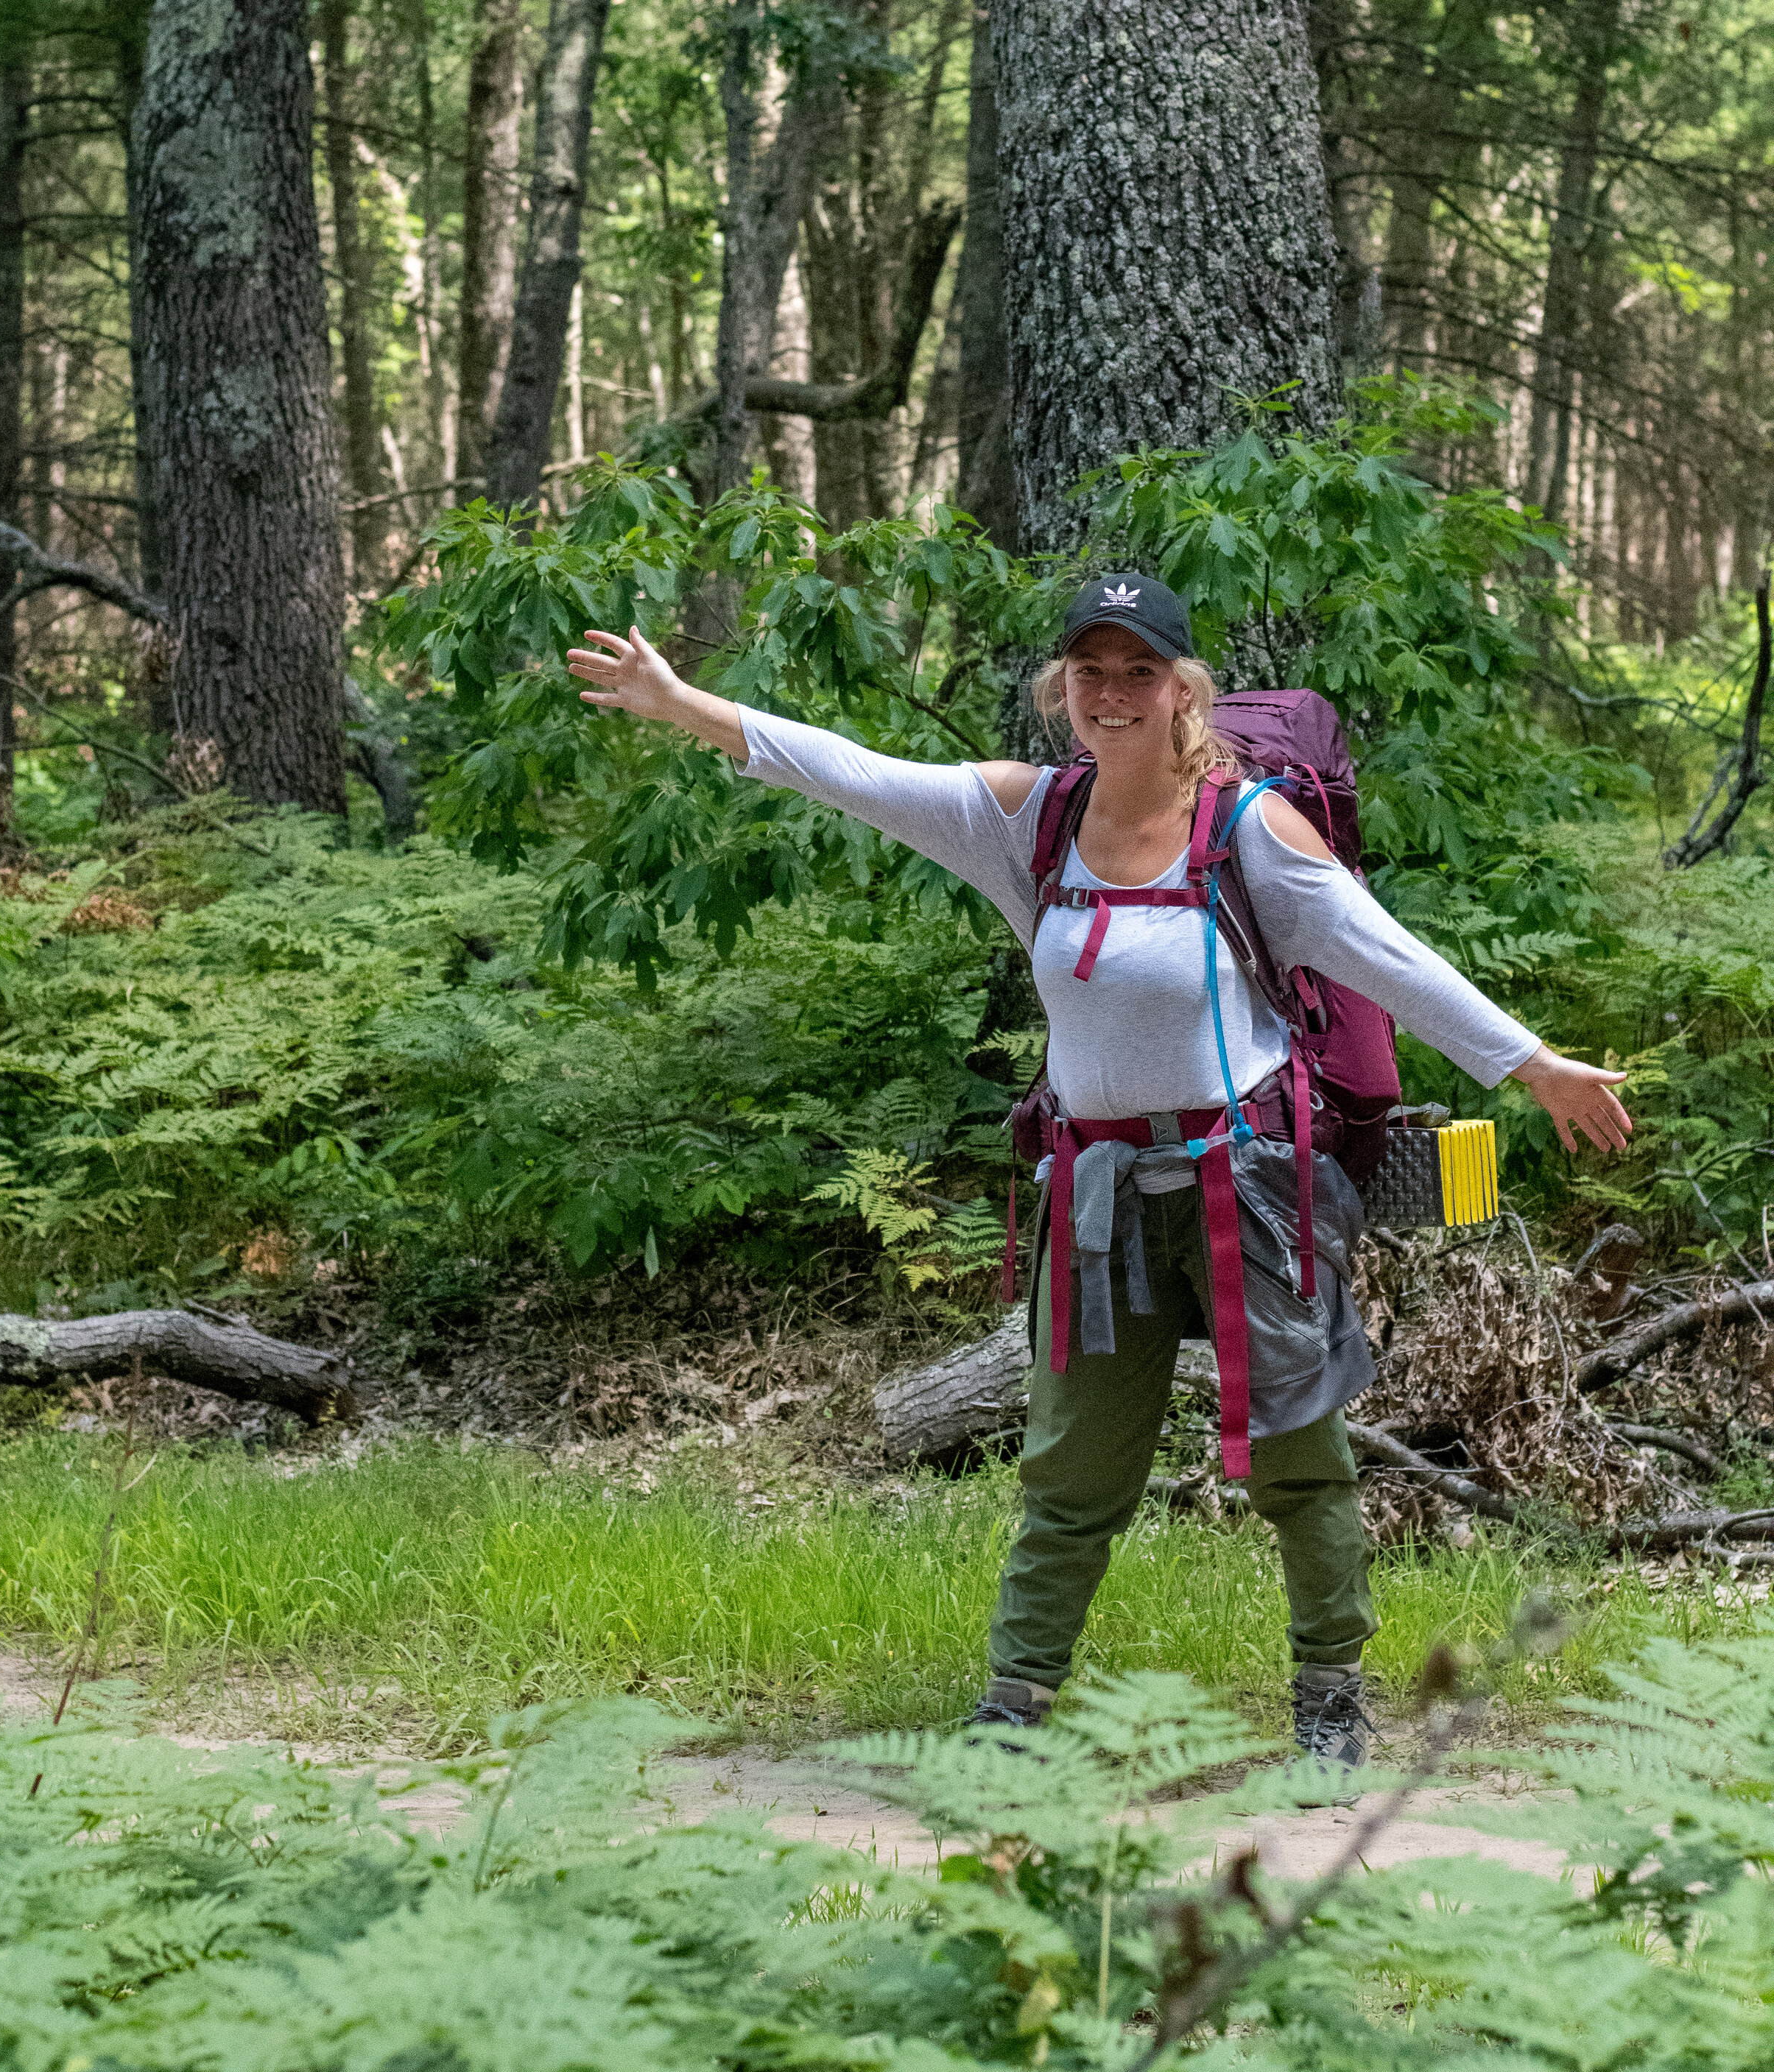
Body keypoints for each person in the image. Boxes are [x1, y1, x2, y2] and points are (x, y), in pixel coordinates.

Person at [566, 573, 1629, 1766]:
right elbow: (851, 770)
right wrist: (681, 703)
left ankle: (1331, 1703)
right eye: (1090, 672)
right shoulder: (1030, 819)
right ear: (1061, 687)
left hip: (1252, 1190)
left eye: (1139, 671)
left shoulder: (1248, 829)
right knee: (1070, 1471)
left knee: (1301, 1461)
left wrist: (1532, 1064)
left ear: (1185, 688)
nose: (1113, 694)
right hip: (1099, 1199)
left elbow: (1388, 956)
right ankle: (1013, 1710)